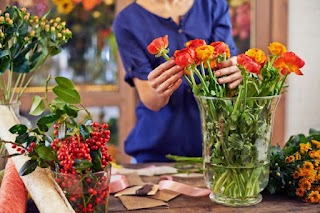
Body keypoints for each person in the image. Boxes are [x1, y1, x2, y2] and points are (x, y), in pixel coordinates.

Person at [113, 0, 242, 163]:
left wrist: (239, 71)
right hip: (157, 155)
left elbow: (226, 69)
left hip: (217, 149)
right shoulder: (128, 21)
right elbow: (150, 98)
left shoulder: (213, 5)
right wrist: (160, 89)